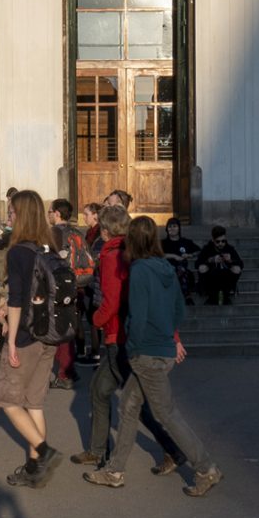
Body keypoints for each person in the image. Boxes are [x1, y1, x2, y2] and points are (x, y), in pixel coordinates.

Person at [88, 215, 221, 496]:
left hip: (146, 351)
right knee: (128, 406)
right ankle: (114, 470)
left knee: (167, 414)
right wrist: (169, 337)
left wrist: (134, 346)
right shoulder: (166, 267)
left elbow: (137, 316)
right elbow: (179, 310)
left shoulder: (139, 270)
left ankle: (206, 467)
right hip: (161, 349)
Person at [71, 205, 188, 482]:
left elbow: (112, 300)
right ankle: (98, 449)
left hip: (118, 336)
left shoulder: (112, 255)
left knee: (135, 403)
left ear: (105, 229)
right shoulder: (129, 252)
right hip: (122, 334)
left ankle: (170, 450)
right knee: (100, 390)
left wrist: (96, 320)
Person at [0, 191, 63, 487]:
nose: (8, 217)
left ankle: (45, 452)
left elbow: (17, 300)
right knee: (34, 403)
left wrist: (10, 341)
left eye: (11, 212)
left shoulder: (18, 252)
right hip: (51, 334)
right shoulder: (48, 248)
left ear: (21, 215)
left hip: (26, 335)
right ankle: (35, 467)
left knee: (7, 400)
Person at [49, 198, 89, 390]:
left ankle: (64, 373)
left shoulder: (52, 235)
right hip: (77, 289)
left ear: (57, 213)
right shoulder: (78, 234)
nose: (49, 215)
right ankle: (70, 370)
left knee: (60, 334)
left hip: (58, 291)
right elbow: (89, 264)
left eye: (50, 212)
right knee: (69, 332)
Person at [196, 225, 243, 304]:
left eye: (223, 241)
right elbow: (197, 264)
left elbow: (241, 264)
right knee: (202, 268)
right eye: (218, 241)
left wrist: (230, 260)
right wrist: (211, 260)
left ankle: (225, 294)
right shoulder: (207, 248)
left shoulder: (229, 248)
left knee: (237, 269)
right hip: (211, 276)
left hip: (225, 276)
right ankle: (211, 295)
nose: (221, 243)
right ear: (213, 240)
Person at [162, 216, 200, 302]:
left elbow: (199, 251)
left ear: (179, 228)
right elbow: (157, 254)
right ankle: (186, 296)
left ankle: (181, 296)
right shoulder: (163, 243)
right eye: (170, 227)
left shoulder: (186, 242)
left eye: (174, 226)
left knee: (182, 270)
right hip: (166, 269)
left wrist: (190, 255)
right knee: (178, 271)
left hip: (182, 270)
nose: (172, 229)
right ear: (167, 229)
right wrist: (174, 256)